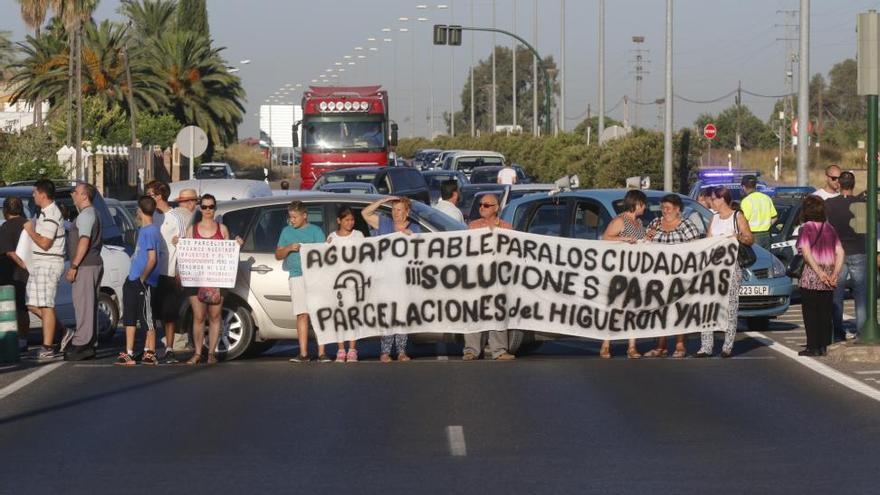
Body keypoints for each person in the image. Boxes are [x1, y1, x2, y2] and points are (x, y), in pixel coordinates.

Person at [362, 196, 422, 362]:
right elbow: (365, 213)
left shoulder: (414, 228)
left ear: (407, 212)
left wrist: (413, 237)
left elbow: (424, 249)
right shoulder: (384, 224)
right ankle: (385, 351)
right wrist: (383, 200)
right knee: (387, 315)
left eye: (399, 210)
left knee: (402, 314)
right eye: (393, 209)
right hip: (385, 278)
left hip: (404, 279)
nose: (395, 213)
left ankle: (401, 351)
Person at [643, 194, 703, 359]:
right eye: (663, 208)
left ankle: (679, 344)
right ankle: (660, 346)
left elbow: (696, 248)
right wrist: (647, 237)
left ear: (678, 209)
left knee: (679, 309)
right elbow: (645, 244)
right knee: (660, 310)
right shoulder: (655, 223)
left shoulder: (686, 225)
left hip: (680, 275)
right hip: (658, 275)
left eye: (668, 208)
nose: (665, 211)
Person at [185, 194, 241, 365]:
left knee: (215, 316)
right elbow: (186, 253)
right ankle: (197, 352)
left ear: (215, 208)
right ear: (200, 208)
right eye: (204, 207)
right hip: (196, 279)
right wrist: (178, 244)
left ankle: (211, 353)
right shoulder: (192, 230)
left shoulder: (222, 229)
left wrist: (237, 244)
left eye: (211, 207)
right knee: (199, 316)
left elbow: (229, 255)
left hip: (217, 279)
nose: (208, 210)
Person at [698, 186, 753, 358]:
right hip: (713, 267)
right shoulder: (714, 218)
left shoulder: (737, 216)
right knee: (707, 305)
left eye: (713, 198)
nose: (711, 202)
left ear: (722, 199)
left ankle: (727, 346)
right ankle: (706, 346)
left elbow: (750, 239)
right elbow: (708, 241)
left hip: (731, 267)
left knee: (730, 305)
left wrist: (738, 237)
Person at [462, 193, 516, 361]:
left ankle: (499, 350)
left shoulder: (507, 228)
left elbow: (514, 252)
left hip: (499, 277)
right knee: (474, 312)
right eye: (480, 205)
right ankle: (471, 350)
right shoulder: (473, 226)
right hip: (477, 277)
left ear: (496, 208)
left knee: (498, 312)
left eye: (486, 205)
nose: (482, 208)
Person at [276, 200, 327, 363]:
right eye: (290, 217)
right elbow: (278, 255)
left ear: (304, 216)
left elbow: (324, 253)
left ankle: (322, 353)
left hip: (315, 277)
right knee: (302, 314)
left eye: (295, 217)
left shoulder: (315, 231)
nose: (292, 220)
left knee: (318, 313)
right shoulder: (286, 232)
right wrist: (289, 248)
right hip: (297, 275)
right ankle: (303, 353)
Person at [600, 189, 648, 359]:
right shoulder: (620, 220)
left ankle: (632, 346)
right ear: (636, 204)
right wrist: (624, 240)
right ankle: (606, 344)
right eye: (643, 204)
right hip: (620, 271)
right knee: (616, 308)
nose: (645, 207)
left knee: (633, 308)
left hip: (636, 272)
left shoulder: (639, 223)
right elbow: (605, 239)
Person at [115, 196, 162, 366]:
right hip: (133, 278)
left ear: (140, 211)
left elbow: (152, 259)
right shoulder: (143, 229)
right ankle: (129, 352)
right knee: (129, 316)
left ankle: (150, 351)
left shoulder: (150, 231)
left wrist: (142, 277)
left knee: (147, 317)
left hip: (144, 281)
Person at [23, 179, 66, 360]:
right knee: (32, 304)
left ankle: (47, 346)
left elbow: (46, 243)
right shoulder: (43, 213)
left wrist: (31, 231)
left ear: (42, 194)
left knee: (46, 305)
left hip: (49, 264)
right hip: (39, 263)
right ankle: (63, 331)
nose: (33, 196)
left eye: (34, 193)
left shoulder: (52, 214)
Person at [797, 195, 844, 356]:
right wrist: (834, 274)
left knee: (810, 313)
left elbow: (806, 253)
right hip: (829, 274)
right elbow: (840, 252)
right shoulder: (829, 228)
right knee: (825, 312)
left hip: (812, 274)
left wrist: (819, 272)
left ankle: (813, 346)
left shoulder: (805, 228)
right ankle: (824, 346)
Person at [823, 171, 866, 341]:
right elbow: (867, 228)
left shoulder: (830, 204)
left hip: (837, 253)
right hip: (859, 250)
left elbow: (826, 228)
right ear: (853, 185)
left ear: (839, 184)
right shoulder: (862, 204)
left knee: (837, 294)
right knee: (861, 294)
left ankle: (838, 333)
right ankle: (862, 332)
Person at [64, 183, 103, 361]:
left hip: (86, 266)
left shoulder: (86, 215)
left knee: (84, 305)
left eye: (77, 192)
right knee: (89, 304)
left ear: (85, 196)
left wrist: (74, 266)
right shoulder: (89, 214)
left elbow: (84, 240)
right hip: (91, 264)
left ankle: (82, 343)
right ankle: (89, 343)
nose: (74, 194)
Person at [146, 180, 181, 363]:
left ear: (159, 196)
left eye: (150, 194)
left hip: (168, 270)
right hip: (152, 271)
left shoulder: (175, 217)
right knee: (150, 312)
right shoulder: (150, 215)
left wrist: (179, 271)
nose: (148, 198)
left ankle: (169, 348)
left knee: (169, 313)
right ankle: (149, 348)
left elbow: (182, 245)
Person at [326, 207, 364, 362]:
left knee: (353, 316)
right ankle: (341, 349)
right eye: (347, 220)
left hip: (355, 282)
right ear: (339, 221)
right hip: (338, 284)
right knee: (340, 317)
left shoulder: (359, 235)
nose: (350, 223)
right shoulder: (332, 237)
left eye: (352, 220)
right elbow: (325, 259)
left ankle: (352, 348)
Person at [0, 197, 30, 353]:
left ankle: (14, 340)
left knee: (14, 307)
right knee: (23, 308)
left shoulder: (6, 227)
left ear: (6, 210)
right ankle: (23, 340)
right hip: (25, 273)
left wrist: (23, 265)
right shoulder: (29, 224)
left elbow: (10, 252)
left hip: (11, 273)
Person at [739, 175, 777, 250]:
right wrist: (766, 225)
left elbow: (743, 221)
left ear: (743, 187)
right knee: (766, 259)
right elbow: (774, 217)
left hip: (753, 236)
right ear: (755, 185)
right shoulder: (766, 198)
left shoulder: (746, 201)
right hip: (766, 235)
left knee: (755, 259)